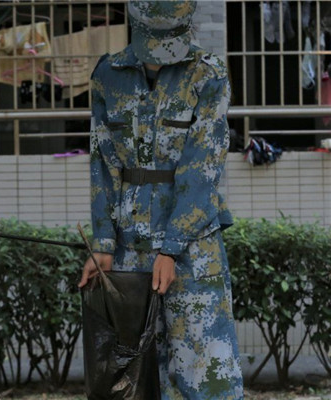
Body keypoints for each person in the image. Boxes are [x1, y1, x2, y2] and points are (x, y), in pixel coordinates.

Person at [78, 1, 244, 399]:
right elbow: (102, 163)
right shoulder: (107, 75)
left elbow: (202, 168)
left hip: (192, 247)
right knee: (135, 376)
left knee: (205, 373)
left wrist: (171, 247)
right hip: (128, 247)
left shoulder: (207, 74)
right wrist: (102, 244)